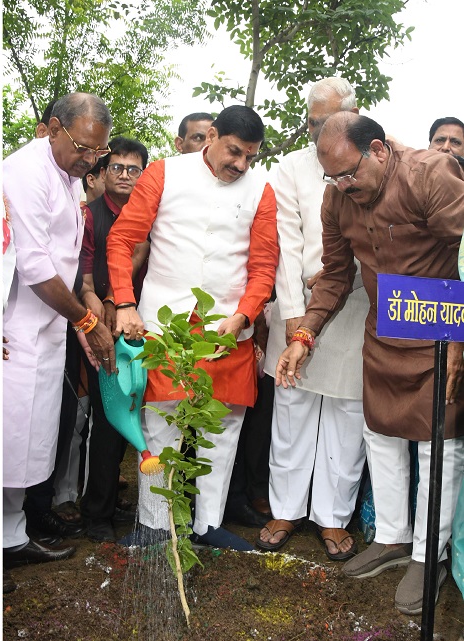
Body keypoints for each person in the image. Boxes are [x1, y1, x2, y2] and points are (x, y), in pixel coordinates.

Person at [276, 112, 464, 615]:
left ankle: (430, 554)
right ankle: (393, 537)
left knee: (437, 447)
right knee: (379, 435)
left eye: (349, 173)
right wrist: (304, 335)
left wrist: (463, 338)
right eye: (331, 177)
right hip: (384, 329)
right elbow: (335, 275)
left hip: (442, 329)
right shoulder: (337, 198)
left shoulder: (431, 174)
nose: (342, 185)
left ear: (378, 150)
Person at [109, 105, 279, 550]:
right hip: (165, 322)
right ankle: (153, 524)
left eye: (250, 157)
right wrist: (125, 302)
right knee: (161, 425)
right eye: (235, 152)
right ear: (212, 136)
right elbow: (122, 239)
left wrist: (243, 316)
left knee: (220, 432)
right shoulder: (165, 173)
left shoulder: (262, 189)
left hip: (227, 330)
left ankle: (208, 524)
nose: (240, 165)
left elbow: (264, 267)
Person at [2, 93, 115, 570]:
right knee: (15, 432)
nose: (90, 160)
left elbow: (68, 254)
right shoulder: (25, 172)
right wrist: (86, 320)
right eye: (83, 148)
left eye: (98, 153)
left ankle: (19, 525)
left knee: (38, 432)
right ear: (51, 128)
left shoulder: (68, 175)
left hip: (51, 323)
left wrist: (84, 302)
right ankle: (3, 537)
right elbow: (33, 265)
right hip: (19, 324)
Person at [257, 78, 368, 561]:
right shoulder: (292, 167)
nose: (317, 132)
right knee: (292, 408)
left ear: (354, 115)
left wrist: (347, 279)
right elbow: (284, 244)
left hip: (357, 301)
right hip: (299, 300)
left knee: (347, 413)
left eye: (326, 122)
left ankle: (332, 517)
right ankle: (285, 508)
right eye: (312, 122)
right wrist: (291, 308)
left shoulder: (371, 159)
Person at [78, 136, 149, 542]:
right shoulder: (88, 215)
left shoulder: (150, 215)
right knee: (107, 418)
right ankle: (96, 513)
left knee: (137, 414)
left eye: (133, 169)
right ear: (101, 174)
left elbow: (140, 254)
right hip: (97, 327)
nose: (124, 175)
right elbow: (83, 276)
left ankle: (118, 503)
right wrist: (100, 311)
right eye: (116, 168)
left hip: (141, 324)